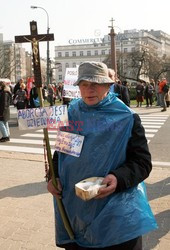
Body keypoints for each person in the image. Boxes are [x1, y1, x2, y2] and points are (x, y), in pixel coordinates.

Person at [47, 61, 157, 250]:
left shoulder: (126, 117)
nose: (89, 89)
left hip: (116, 214)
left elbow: (142, 162)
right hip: (76, 210)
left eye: (95, 84)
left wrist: (117, 178)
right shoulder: (72, 113)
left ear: (108, 85)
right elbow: (62, 153)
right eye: (84, 84)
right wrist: (53, 177)